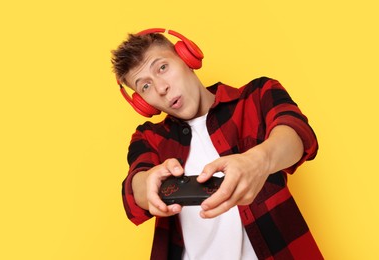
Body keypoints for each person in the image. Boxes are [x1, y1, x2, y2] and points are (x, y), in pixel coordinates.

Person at [111, 28, 323, 260]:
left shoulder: (258, 95)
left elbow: (299, 134)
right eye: (145, 86)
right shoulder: (149, 137)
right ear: (143, 103)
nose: (161, 88)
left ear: (187, 57)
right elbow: (135, 190)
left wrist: (258, 160)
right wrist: (149, 185)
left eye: (162, 68)